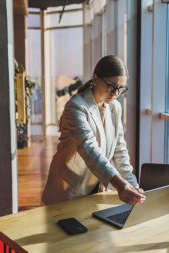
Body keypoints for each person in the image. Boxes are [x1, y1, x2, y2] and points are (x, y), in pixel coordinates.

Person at [42, 55, 146, 206]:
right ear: (95, 78)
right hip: (68, 190)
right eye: (111, 85)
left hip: (96, 191)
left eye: (121, 88)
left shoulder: (115, 107)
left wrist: (133, 187)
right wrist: (119, 184)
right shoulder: (76, 106)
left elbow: (119, 150)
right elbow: (89, 149)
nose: (115, 93)